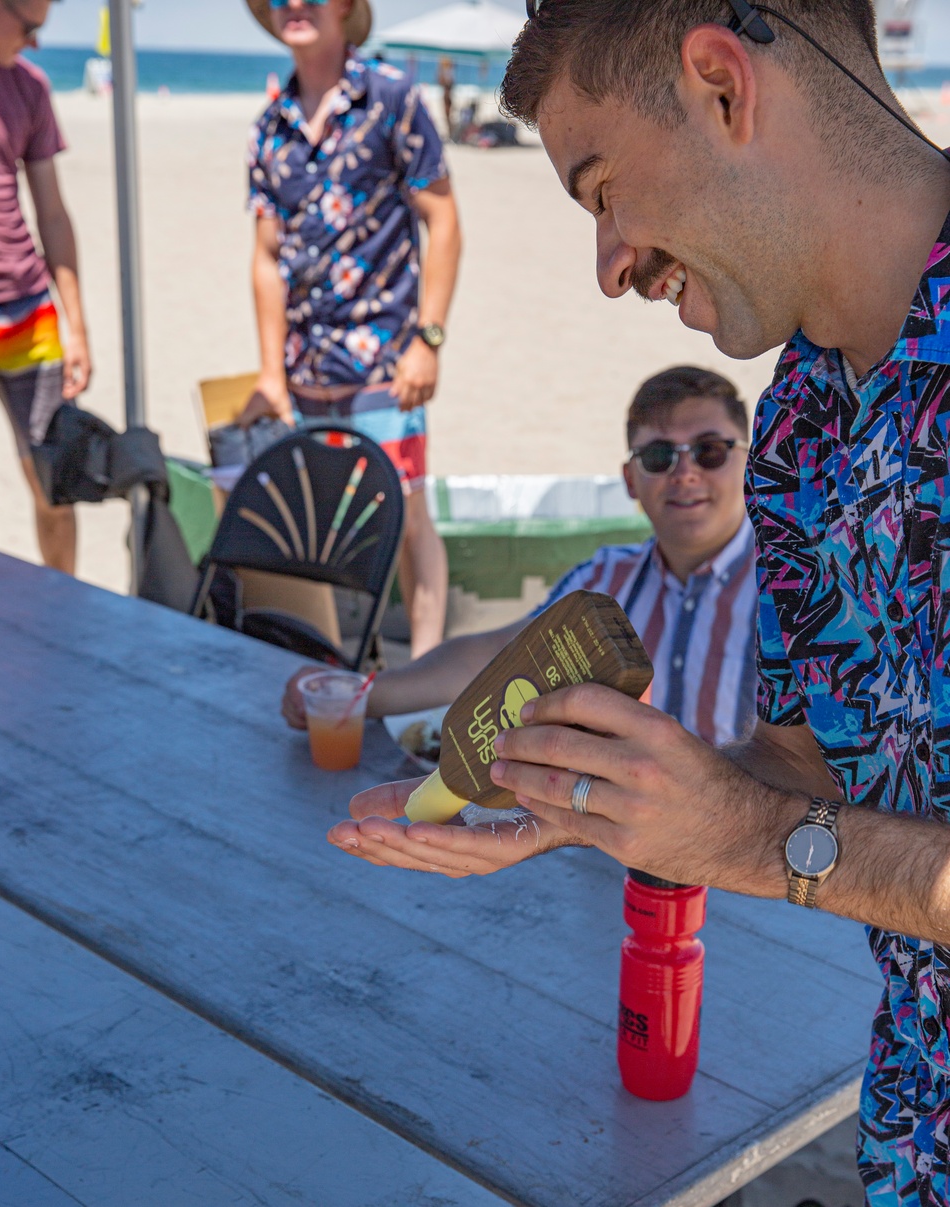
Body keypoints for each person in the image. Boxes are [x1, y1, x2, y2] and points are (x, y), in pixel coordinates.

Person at [338, 3, 950, 1198]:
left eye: (604, 187)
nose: (611, 266)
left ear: (722, 86)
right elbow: (801, 767)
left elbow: (776, 832)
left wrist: (749, 842)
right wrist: (598, 807)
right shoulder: (800, 425)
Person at [305, 363, 757, 801]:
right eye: (658, 457)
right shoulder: (603, 581)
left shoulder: (793, 591)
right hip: (608, 834)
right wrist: (357, 696)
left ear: (749, 462)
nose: (685, 473)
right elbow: (497, 657)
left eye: (709, 450)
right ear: (630, 480)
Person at [243, 0, 463, 658]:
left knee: (407, 517)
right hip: (304, 370)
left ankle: (423, 677)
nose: (295, 6)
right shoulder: (267, 126)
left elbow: (444, 220)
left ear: (345, 7)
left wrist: (428, 340)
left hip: (386, 366)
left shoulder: (392, 99)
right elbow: (265, 258)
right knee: (314, 527)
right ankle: (335, 668)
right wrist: (269, 371)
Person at [0, 0, 91, 574]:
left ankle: (63, 611)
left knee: (54, 488)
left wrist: (76, 326)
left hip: (31, 316)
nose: (35, 44)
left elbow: (52, 213)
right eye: (30, 27)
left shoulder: (29, 87)